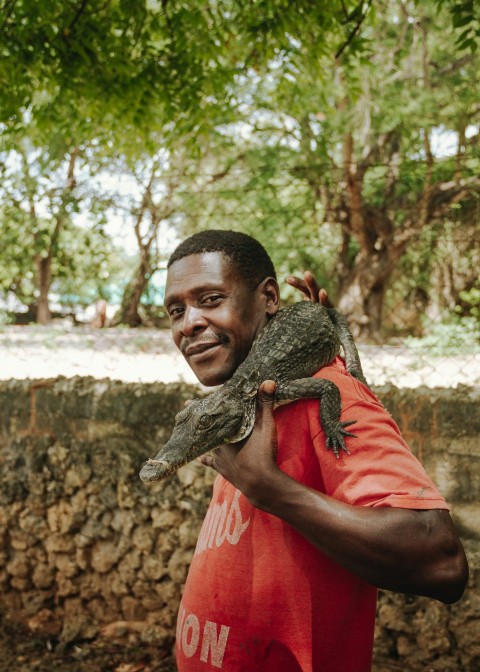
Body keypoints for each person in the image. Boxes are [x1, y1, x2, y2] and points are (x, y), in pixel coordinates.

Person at [163, 230, 468, 672]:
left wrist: (273, 491)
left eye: (210, 299)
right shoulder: (247, 397)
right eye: (176, 310)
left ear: (270, 297)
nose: (188, 322)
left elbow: (441, 562)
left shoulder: (329, 396)